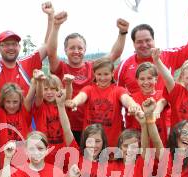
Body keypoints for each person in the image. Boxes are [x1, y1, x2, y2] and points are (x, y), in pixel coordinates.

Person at [47, 11, 129, 143]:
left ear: (85, 50)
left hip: (91, 128)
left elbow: (114, 54)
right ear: (65, 50)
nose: (76, 51)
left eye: (80, 48)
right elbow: (50, 53)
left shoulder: (93, 67)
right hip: (67, 126)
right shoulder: (60, 68)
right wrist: (55, 26)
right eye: (72, 48)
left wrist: (122, 33)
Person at [115, 9, 188, 95]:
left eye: (148, 40)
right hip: (136, 110)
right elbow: (116, 93)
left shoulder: (168, 55)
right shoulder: (125, 65)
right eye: (139, 42)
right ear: (133, 43)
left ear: (153, 40)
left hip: (166, 110)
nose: (144, 45)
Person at [65, 57, 141, 146]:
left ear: (112, 73)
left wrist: (132, 105)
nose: (102, 78)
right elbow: (81, 97)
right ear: (94, 74)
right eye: (99, 74)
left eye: (106, 74)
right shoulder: (88, 89)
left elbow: (126, 99)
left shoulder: (118, 90)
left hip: (112, 144)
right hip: (90, 145)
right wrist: (74, 102)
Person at [31, 70, 73, 166]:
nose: (49, 92)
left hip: (62, 149)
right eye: (46, 89)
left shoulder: (61, 104)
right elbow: (40, 95)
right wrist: (40, 81)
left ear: (59, 90)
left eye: (53, 89)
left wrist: (69, 84)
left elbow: (68, 96)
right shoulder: (40, 106)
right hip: (44, 150)